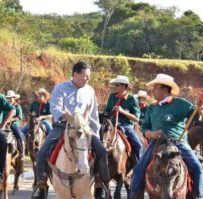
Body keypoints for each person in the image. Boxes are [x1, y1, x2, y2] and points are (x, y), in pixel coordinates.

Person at [32, 61, 110, 199]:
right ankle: (42, 184)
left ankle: (100, 184)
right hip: (62, 127)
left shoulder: (90, 91)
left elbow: (93, 116)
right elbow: (55, 108)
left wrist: (95, 134)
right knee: (42, 152)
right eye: (85, 76)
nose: (88, 79)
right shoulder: (60, 88)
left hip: (84, 129)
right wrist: (66, 116)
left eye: (89, 76)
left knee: (102, 151)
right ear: (75, 74)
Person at [129, 74, 203, 199]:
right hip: (156, 143)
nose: (153, 91)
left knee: (197, 167)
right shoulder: (151, 107)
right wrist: (152, 134)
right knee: (138, 169)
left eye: (156, 88)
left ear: (165, 89)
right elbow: (144, 128)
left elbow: (196, 115)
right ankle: (133, 196)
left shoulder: (180, 103)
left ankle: (198, 195)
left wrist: (200, 107)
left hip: (178, 142)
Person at [105, 75, 143, 161]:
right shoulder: (112, 96)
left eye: (117, 85)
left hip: (126, 126)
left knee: (139, 145)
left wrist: (122, 111)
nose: (115, 87)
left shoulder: (132, 99)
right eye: (116, 85)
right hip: (111, 124)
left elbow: (136, 118)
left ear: (123, 86)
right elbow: (107, 111)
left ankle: (139, 167)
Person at [4, 90, 24, 169]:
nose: (9, 100)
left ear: (14, 98)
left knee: (19, 136)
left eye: (10, 98)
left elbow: (19, 117)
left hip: (14, 125)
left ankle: (22, 152)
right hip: (5, 126)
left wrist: (11, 120)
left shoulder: (17, 106)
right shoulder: (6, 107)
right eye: (8, 98)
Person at [0, 93, 15, 183]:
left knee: (3, 141)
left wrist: (3, 124)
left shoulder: (0, 98)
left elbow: (12, 110)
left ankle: (0, 172)